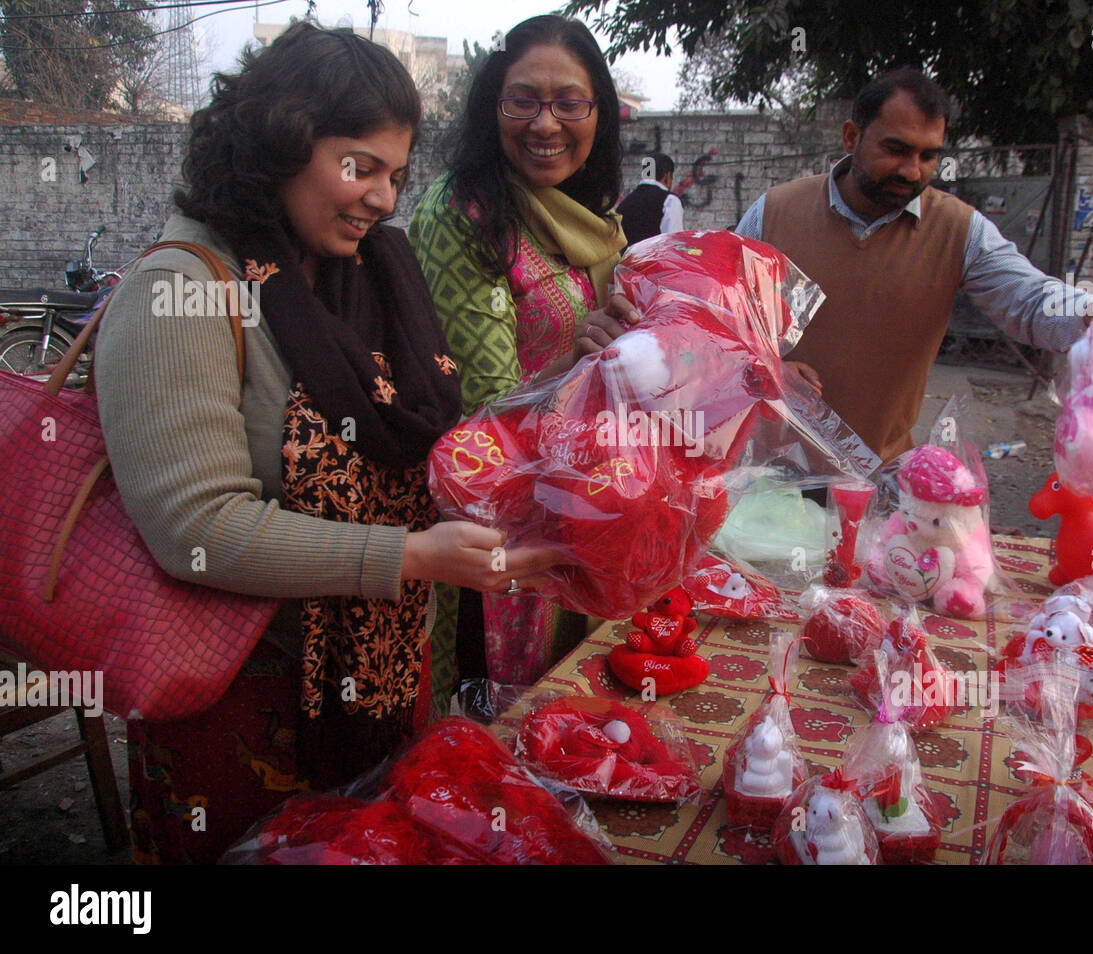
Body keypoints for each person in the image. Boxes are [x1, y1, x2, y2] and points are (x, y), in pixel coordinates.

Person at [94, 22, 554, 864]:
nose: (383, 199)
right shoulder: (184, 289)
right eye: (359, 167)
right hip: (240, 705)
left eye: (396, 176)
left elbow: (427, 442)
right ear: (282, 143)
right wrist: (412, 556)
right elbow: (196, 530)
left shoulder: (366, 274)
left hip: (379, 677)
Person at [408, 15, 636, 687]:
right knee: (507, 724)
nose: (545, 124)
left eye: (569, 102)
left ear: (599, 114)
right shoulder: (464, 214)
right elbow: (477, 407)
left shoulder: (593, 214)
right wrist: (574, 358)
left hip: (586, 512)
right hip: (496, 538)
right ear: (492, 108)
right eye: (523, 101)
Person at [735, 68, 1091, 463]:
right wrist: (768, 368)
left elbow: (1027, 298)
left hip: (880, 477)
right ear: (851, 137)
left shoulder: (959, 229)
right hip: (767, 477)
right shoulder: (774, 213)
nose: (912, 171)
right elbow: (717, 324)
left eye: (928, 156)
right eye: (896, 150)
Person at [617, 151, 685, 246]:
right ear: (667, 175)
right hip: (656, 260)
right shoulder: (670, 200)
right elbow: (674, 244)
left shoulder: (625, 204)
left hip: (629, 260)